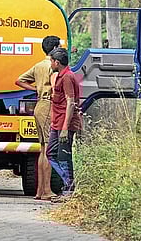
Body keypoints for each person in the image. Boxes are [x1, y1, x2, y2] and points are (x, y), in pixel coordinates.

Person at [15, 35, 60, 200]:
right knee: (48, 149)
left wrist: (36, 89)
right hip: (48, 105)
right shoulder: (53, 66)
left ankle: (40, 191)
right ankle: (47, 190)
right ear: (55, 48)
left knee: (42, 149)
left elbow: (19, 81)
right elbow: (56, 87)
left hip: (39, 104)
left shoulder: (39, 65)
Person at [47, 47, 82, 203]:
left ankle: (69, 189)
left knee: (63, 157)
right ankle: (68, 186)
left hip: (64, 124)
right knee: (51, 154)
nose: (50, 63)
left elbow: (71, 103)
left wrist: (65, 129)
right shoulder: (61, 76)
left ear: (57, 62)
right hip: (57, 122)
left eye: (51, 61)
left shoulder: (67, 77)